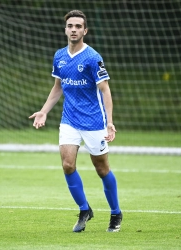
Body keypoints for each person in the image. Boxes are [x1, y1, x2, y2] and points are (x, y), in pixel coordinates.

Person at [29, 10, 122, 233]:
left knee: (102, 169)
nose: (73, 29)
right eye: (70, 26)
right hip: (69, 120)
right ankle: (84, 210)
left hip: (94, 122)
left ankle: (116, 213)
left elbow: (105, 90)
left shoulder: (92, 58)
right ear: (65, 29)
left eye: (78, 26)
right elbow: (57, 88)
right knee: (67, 164)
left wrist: (109, 122)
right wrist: (43, 111)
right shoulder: (59, 56)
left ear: (85, 30)